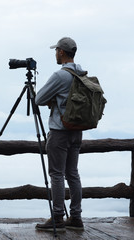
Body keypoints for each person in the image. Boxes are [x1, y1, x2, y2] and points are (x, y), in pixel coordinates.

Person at [35, 37, 84, 232]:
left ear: (62, 52)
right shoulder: (81, 73)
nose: (55, 53)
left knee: (56, 174)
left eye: (56, 50)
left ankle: (57, 217)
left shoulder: (60, 75)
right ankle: (76, 217)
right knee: (72, 173)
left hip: (59, 131)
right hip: (77, 131)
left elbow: (38, 98)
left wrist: (53, 100)